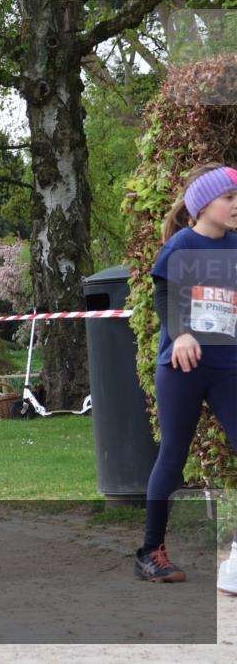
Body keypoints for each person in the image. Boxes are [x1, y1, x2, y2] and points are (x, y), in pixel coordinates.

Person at [134, 164, 237, 585]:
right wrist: (180, 335)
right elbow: (163, 293)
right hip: (183, 367)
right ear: (202, 204)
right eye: (229, 198)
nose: (236, 205)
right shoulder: (182, 244)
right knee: (173, 453)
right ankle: (150, 553)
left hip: (227, 365)